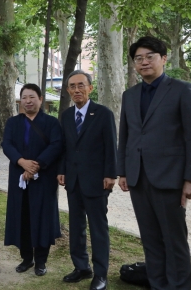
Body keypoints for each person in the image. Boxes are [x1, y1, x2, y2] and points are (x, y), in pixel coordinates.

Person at [118, 36, 191, 289]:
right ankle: (157, 284)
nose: (144, 62)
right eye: (138, 58)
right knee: (150, 240)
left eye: (150, 56)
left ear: (164, 59)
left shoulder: (182, 90)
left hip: (171, 178)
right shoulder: (129, 95)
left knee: (174, 240)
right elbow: (127, 135)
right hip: (138, 178)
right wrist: (123, 171)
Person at [58, 70, 117, 290]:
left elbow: (111, 146)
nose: (76, 90)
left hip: (97, 182)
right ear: (68, 90)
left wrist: (111, 174)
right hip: (73, 182)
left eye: (81, 85)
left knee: (98, 228)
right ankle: (81, 267)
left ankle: (100, 274)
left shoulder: (103, 113)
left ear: (90, 88)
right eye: (72, 86)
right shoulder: (65, 116)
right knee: (76, 227)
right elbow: (64, 147)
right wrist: (61, 170)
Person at [2, 83, 63, 277]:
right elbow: (7, 144)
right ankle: (27, 258)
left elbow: (56, 145)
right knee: (23, 216)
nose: (28, 101)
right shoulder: (13, 122)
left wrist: (36, 165)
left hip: (44, 177)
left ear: (40, 99)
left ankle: (41, 261)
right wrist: (22, 162)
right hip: (19, 177)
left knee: (43, 218)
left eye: (32, 97)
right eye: (25, 97)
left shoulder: (52, 123)